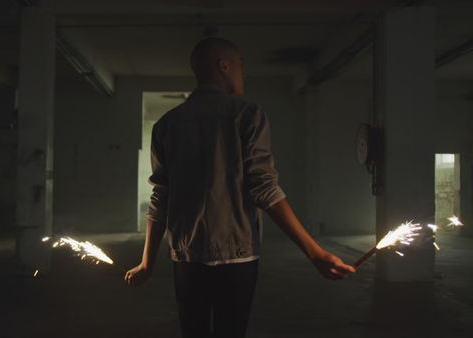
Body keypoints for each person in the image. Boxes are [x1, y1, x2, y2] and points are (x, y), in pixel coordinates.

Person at [124, 37, 355, 338]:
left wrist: (147, 263)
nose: (243, 74)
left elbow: (160, 197)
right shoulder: (248, 115)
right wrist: (314, 252)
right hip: (238, 258)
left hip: (186, 256)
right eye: (241, 67)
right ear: (224, 66)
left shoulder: (167, 125)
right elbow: (265, 188)